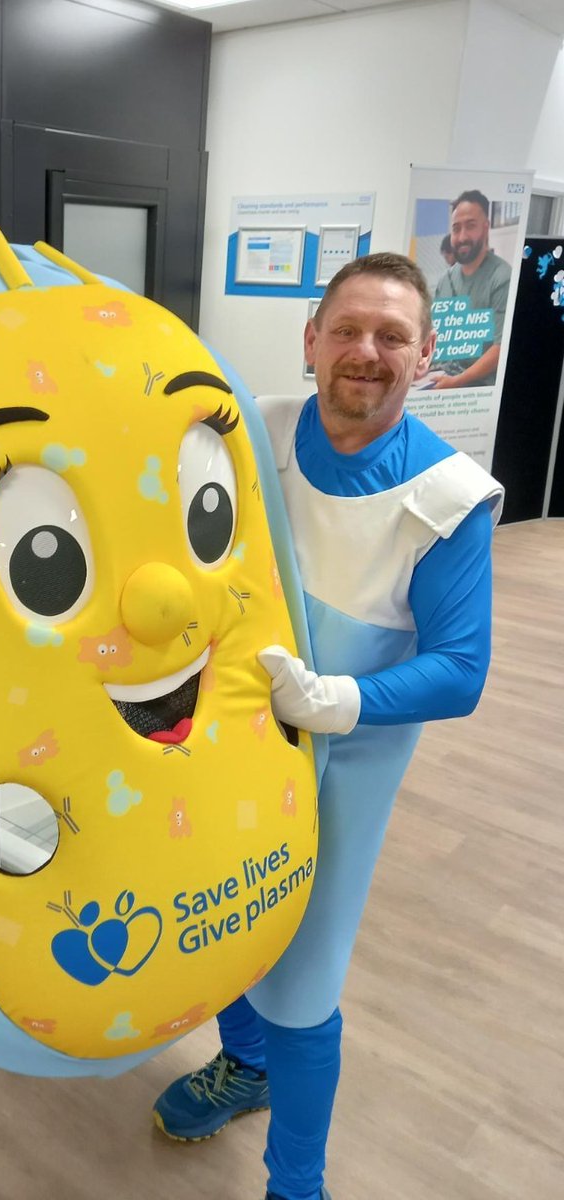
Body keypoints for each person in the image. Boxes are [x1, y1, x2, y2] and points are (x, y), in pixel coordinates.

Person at [152, 253, 503, 1200]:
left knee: (305, 983)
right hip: (220, 745)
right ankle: (245, 1065)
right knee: (217, 921)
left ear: (425, 358)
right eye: (347, 329)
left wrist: (337, 702)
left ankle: (297, 1185)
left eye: (393, 336)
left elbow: (462, 669)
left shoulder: (449, 499)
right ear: (310, 340)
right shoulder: (239, 429)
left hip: (342, 775)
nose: (366, 351)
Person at [429, 190, 512, 389]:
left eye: (471, 226)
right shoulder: (445, 280)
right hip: (442, 378)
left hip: (478, 392)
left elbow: (501, 348)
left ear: (486, 228)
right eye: (456, 229)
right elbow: (435, 335)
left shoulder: (502, 277)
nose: (462, 236)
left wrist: (456, 382)